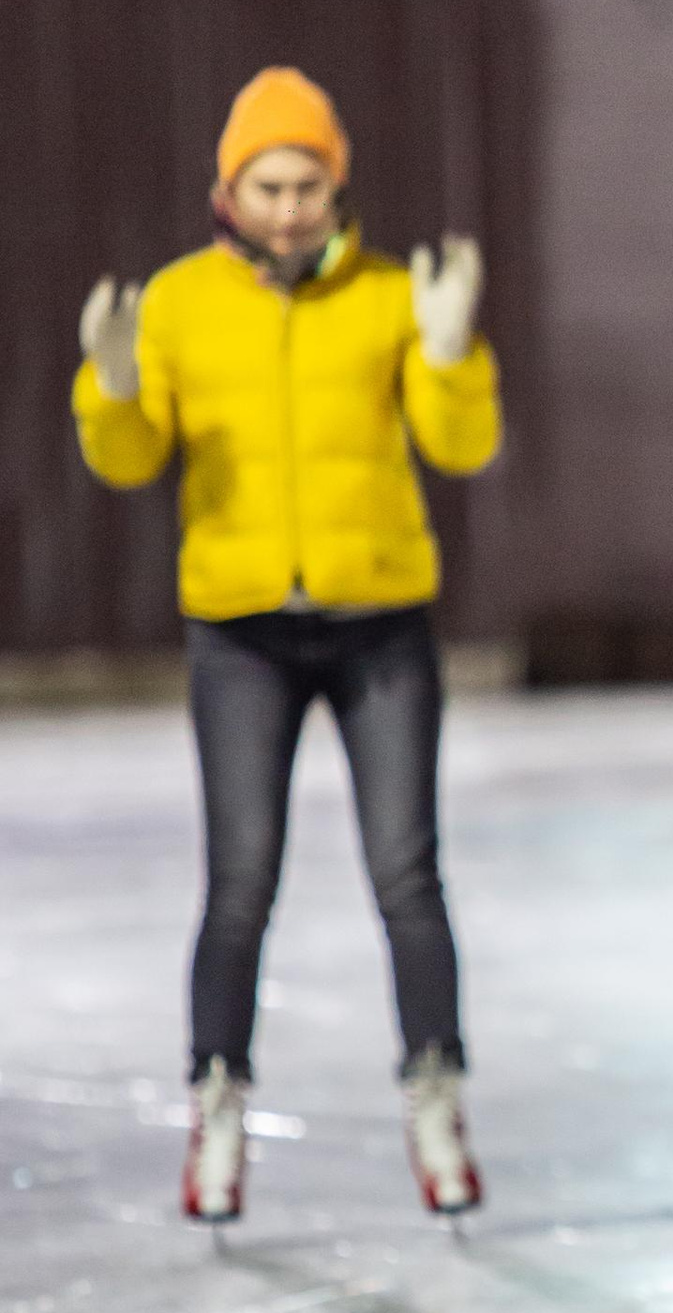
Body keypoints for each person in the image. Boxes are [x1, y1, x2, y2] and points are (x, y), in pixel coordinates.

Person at [72, 67, 500, 1225]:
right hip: (242, 631)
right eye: (269, 182)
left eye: (309, 183)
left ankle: (435, 1099)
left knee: (406, 875)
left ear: (337, 185)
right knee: (239, 882)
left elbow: (462, 446)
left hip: (380, 627)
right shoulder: (178, 304)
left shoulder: (386, 296)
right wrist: (112, 388)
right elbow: (127, 458)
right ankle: (216, 1111)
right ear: (230, 185)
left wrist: (452, 351)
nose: (290, 205)